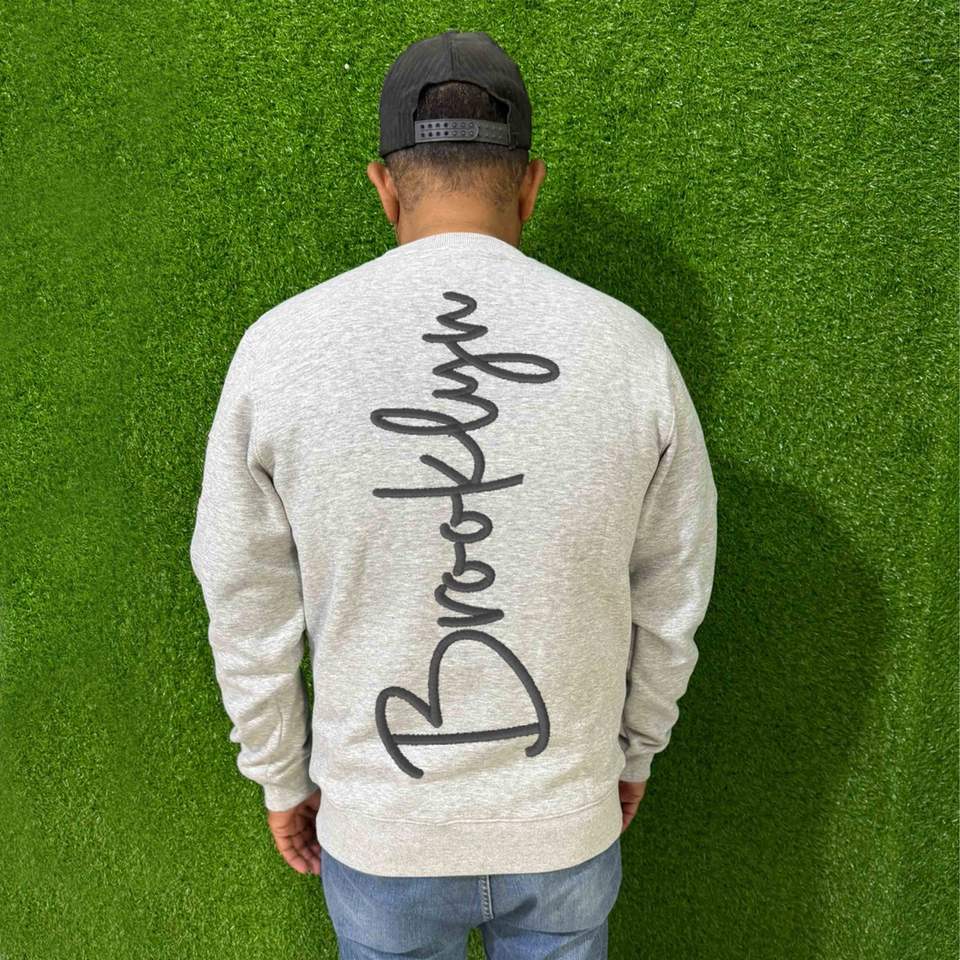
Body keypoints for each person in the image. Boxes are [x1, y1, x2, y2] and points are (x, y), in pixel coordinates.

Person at [189, 28, 718, 960]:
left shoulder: (279, 350)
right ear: (530, 184)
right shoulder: (630, 350)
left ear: (384, 185)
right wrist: (633, 753)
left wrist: (281, 777)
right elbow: (673, 594)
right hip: (564, 820)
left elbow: (244, 604)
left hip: (381, 830)